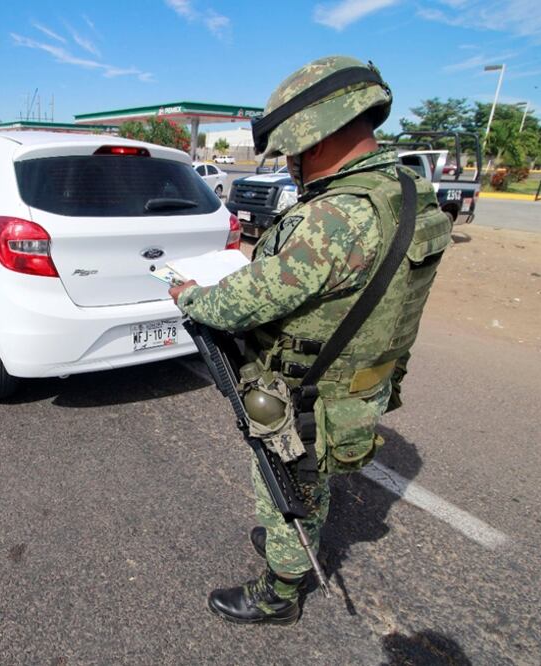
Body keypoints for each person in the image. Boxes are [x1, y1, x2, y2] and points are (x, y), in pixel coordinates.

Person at [169, 56, 452, 625]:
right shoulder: (406, 189)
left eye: (292, 151)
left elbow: (234, 305)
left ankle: (280, 591)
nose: (292, 165)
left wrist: (188, 295)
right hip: (360, 380)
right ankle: (292, 545)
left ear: (315, 140)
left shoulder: (334, 219)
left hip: (306, 391)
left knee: (286, 483)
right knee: (310, 479)